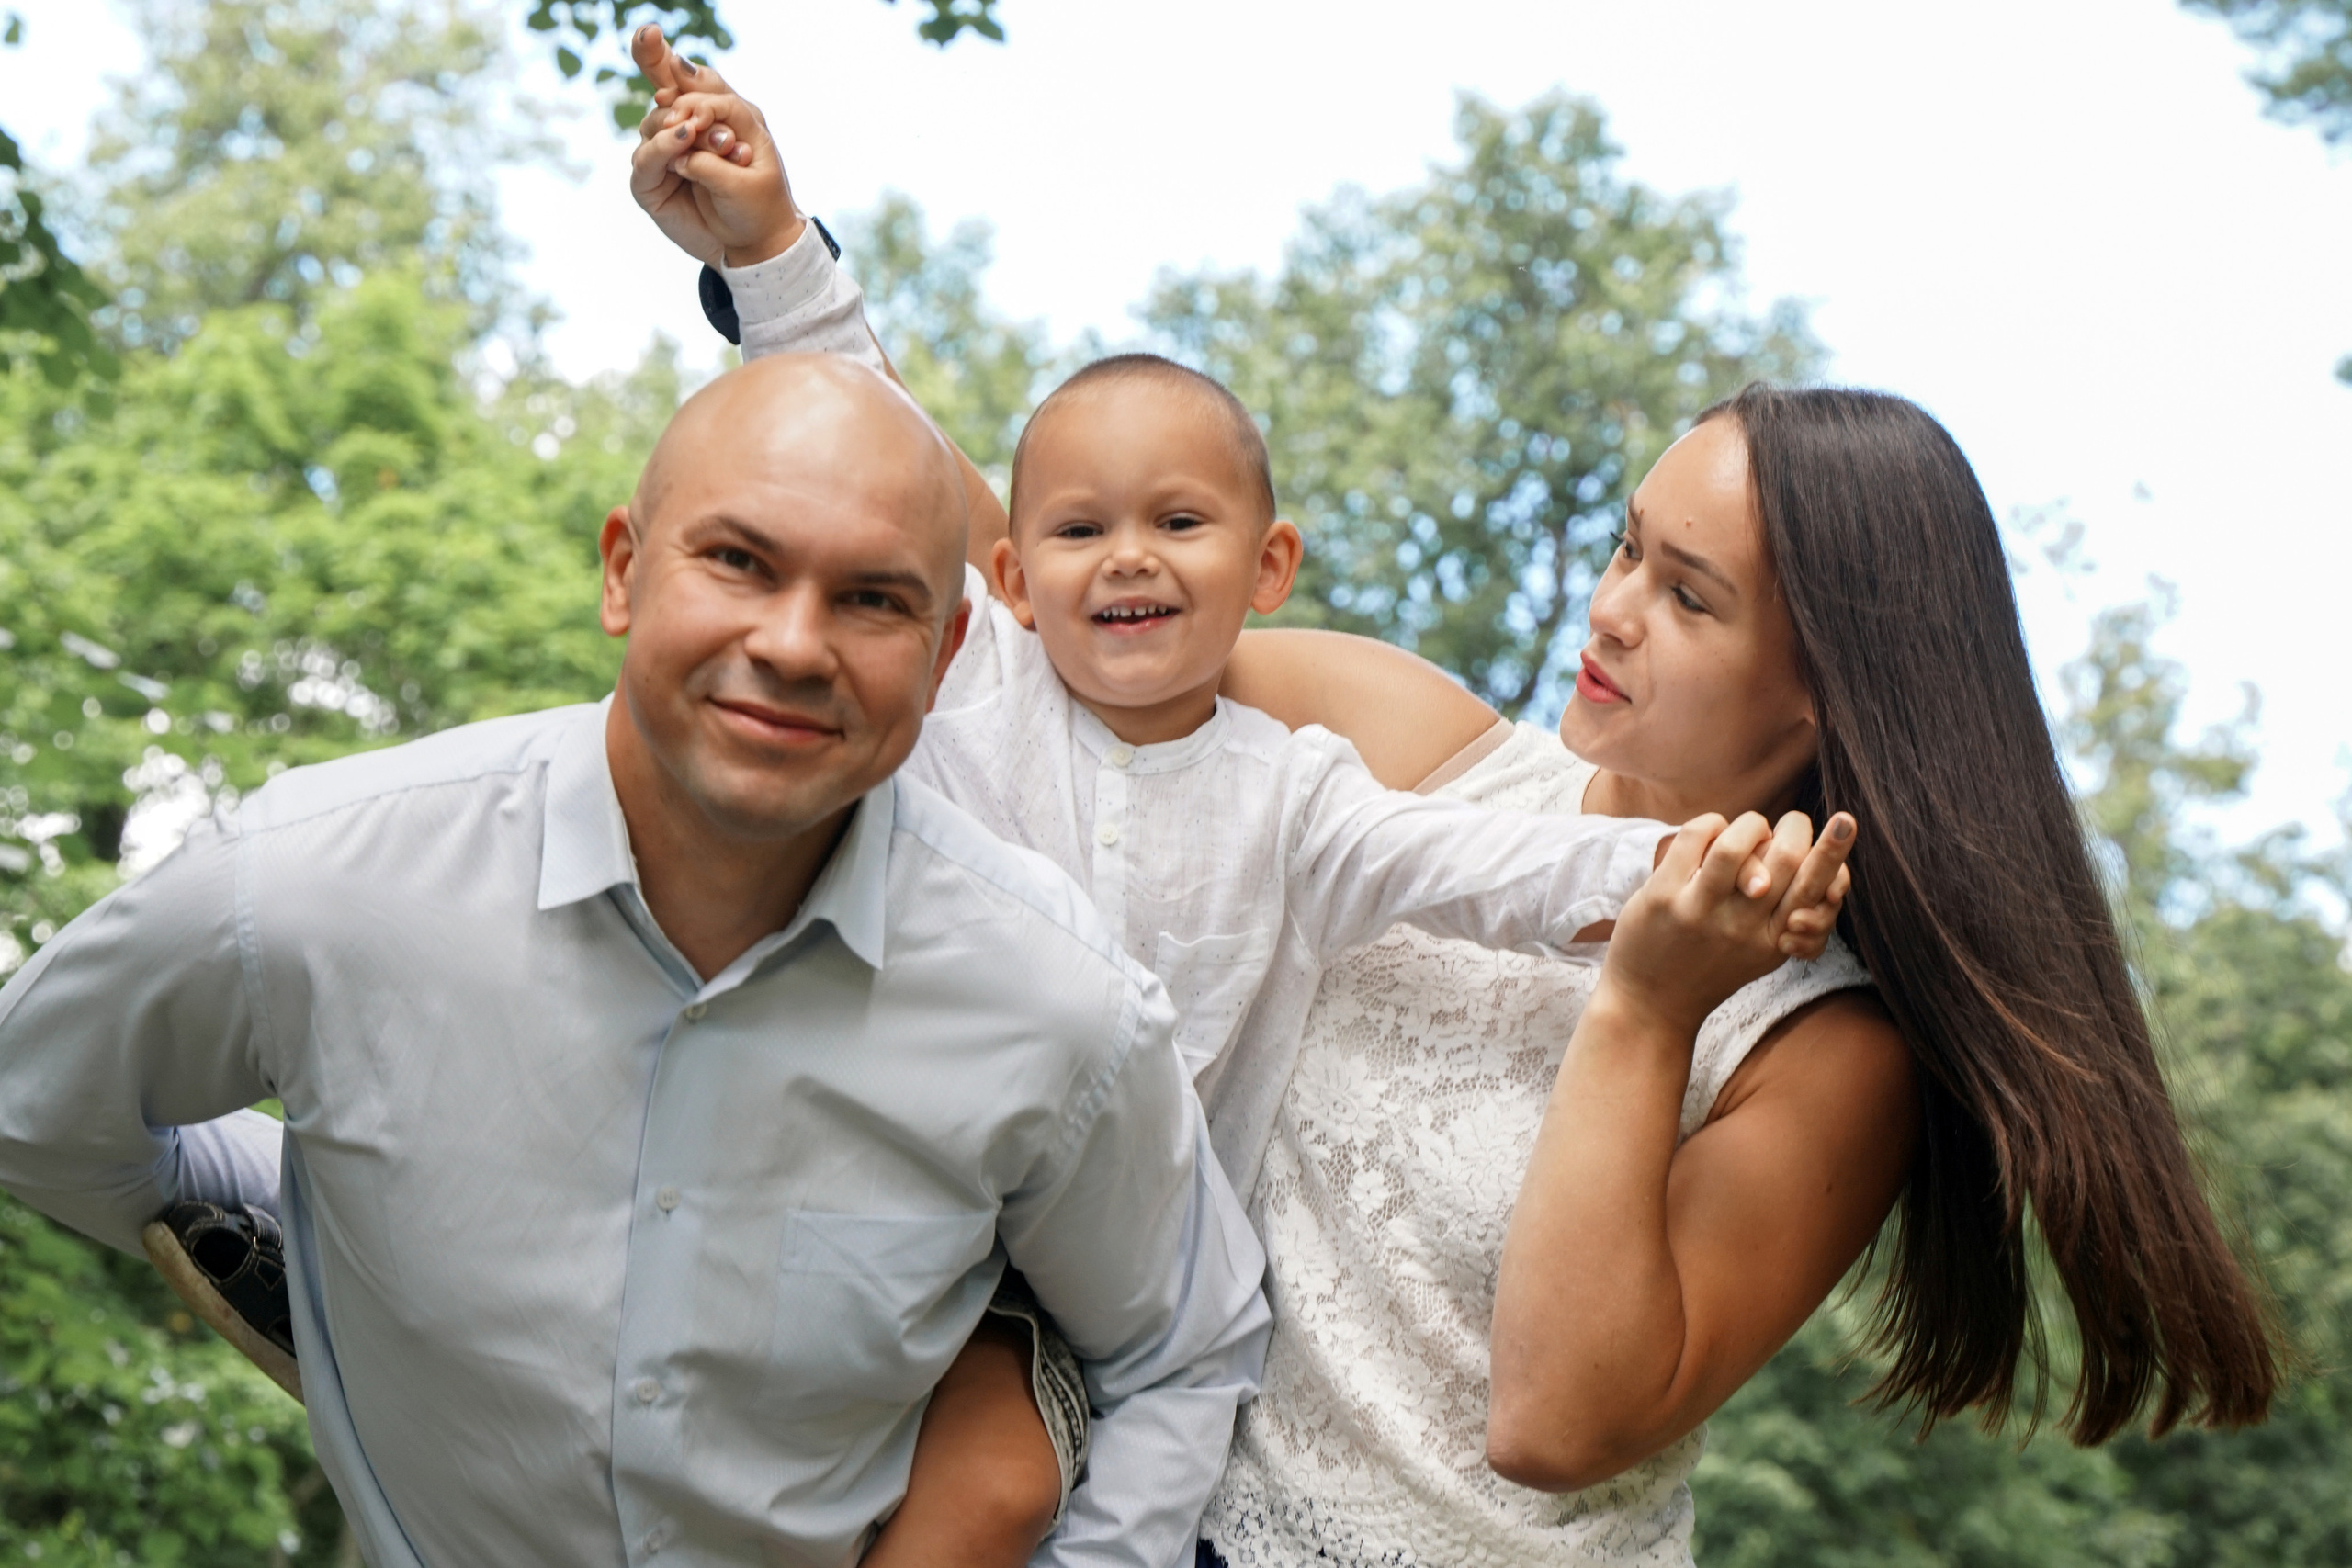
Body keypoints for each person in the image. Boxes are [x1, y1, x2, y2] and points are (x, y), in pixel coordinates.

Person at [634, 37, 2280, 1564]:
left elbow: (1559, 1419)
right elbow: (1028, 588)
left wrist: (1643, 1002)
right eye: (1629, 545)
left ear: (1824, 689)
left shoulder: (1827, 1046)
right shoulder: (1401, 739)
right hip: (1166, 1511)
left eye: (1687, 595)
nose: (1611, 606)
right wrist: (778, 264)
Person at [0, 354, 1275, 1568]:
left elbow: (1185, 1349)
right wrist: (311, 1221)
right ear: (622, 572)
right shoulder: (312, 884)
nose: (791, 642)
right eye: (737, 561)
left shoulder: (1057, 1005)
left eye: (875, 598)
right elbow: (34, 1105)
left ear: (943, 660)